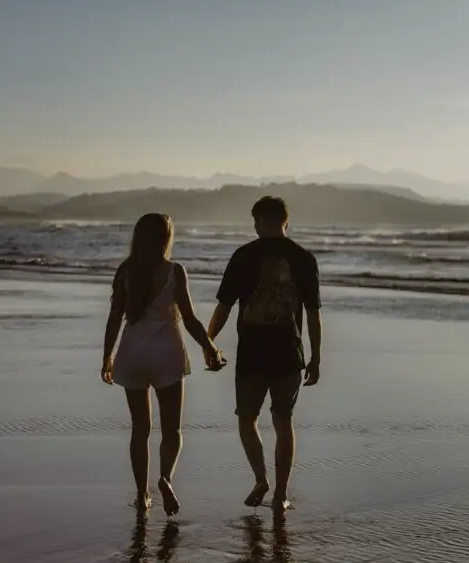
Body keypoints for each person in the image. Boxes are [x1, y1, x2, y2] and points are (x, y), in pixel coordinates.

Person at [101, 213, 224, 516]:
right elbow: (190, 319)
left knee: (140, 429)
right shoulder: (174, 271)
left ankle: (142, 495)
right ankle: (165, 478)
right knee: (172, 429)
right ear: (166, 239)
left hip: (133, 352)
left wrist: (107, 357)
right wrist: (210, 347)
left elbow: (115, 318)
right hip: (166, 351)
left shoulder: (125, 271)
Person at [206, 196, 322, 512]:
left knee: (247, 419)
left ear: (258, 222)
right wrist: (316, 357)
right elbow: (313, 314)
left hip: (252, 353)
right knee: (283, 421)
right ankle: (281, 495)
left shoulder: (243, 255)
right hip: (289, 352)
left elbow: (224, 307)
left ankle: (261, 479)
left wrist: (208, 342)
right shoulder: (303, 258)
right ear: (286, 221)